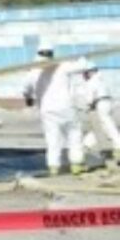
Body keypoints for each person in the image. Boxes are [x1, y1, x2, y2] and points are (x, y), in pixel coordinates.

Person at [22, 41, 86, 176]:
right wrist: (81, 56)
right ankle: (76, 164)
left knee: (53, 139)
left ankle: (54, 168)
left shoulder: (33, 71)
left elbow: (25, 89)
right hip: (66, 107)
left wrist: (28, 97)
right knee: (74, 135)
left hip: (48, 110)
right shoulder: (63, 66)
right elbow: (83, 65)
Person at [77, 58, 120, 160]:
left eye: (85, 73)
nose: (84, 75)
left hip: (100, 104)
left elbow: (89, 99)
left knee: (107, 125)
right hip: (108, 103)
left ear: (90, 72)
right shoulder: (101, 79)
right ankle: (86, 144)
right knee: (101, 127)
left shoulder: (92, 81)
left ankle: (118, 146)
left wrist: (87, 106)